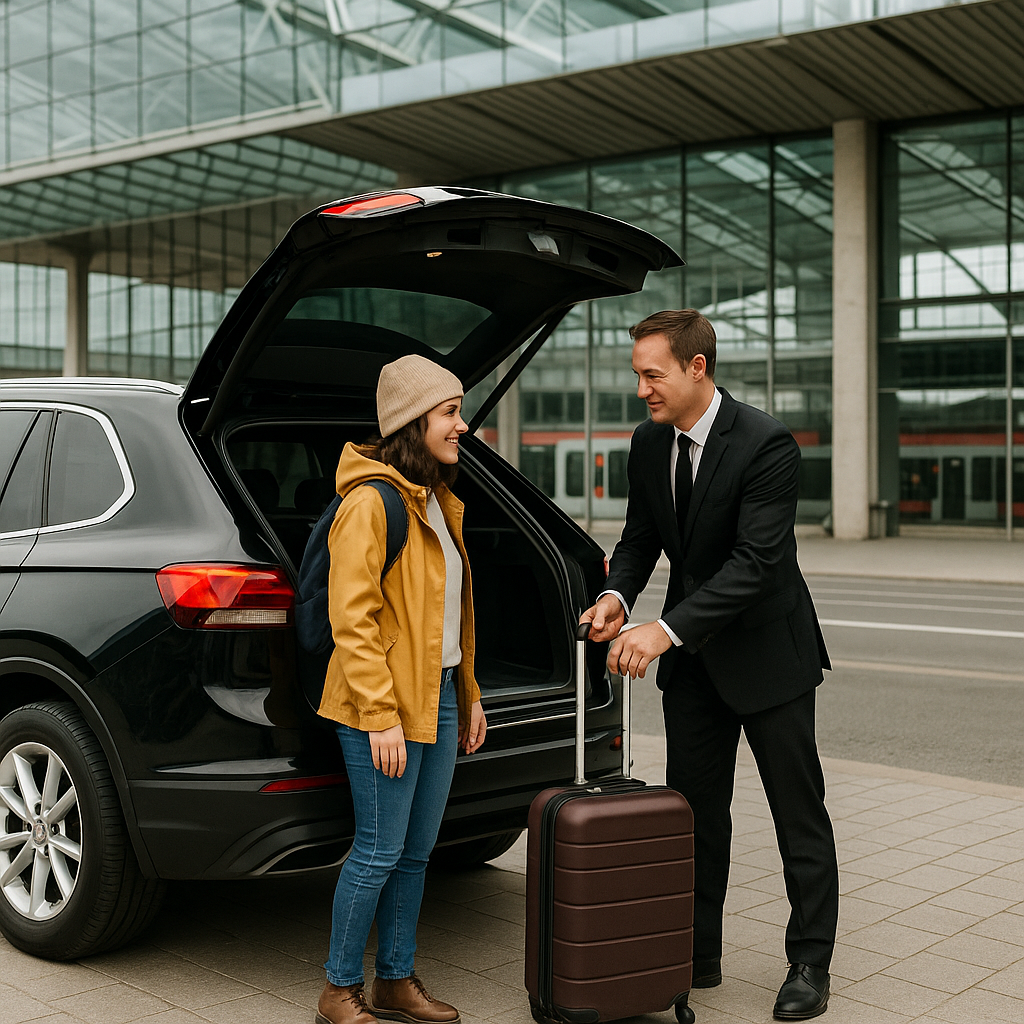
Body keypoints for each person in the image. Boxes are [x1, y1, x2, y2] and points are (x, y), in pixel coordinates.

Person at [580, 310, 838, 1022]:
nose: (641, 390)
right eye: (637, 375)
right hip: (693, 667)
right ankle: (694, 956)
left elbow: (756, 566)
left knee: (798, 814)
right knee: (693, 819)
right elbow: (639, 538)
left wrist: (662, 629)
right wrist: (614, 594)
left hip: (768, 657)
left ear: (697, 367)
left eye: (651, 374)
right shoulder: (646, 441)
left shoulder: (766, 443)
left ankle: (810, 960)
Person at [316, 354, 487, 1024]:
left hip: (438, 694)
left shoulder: (437, 501)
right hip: (376, 703)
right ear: (414, 421)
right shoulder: (370, 502)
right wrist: (381, 715)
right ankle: (337, 989)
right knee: (378, 850)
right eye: (450, 411)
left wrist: (469, 691)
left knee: (417, 851)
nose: (462, 425)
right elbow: (351, 622)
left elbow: (450, 613)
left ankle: (394, 980)